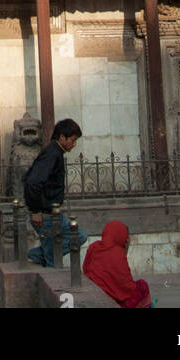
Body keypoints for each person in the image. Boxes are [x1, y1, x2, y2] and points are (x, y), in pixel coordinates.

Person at [23, 118, 87, 267]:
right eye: (72, 140)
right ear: (62, 137)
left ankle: (35, 255)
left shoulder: (56, 153)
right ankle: (44, 260)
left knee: (79, 236)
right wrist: (35, 210)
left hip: (53, 215)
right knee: (54, 261)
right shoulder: (52, 154)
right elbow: (33, 182)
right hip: (45, 216)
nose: (74, 144)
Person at [83, 220, 153, 308]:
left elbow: (85, 269)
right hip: (113, 300)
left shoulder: (94, 247)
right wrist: (125, 248)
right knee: (142, 285)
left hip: (93, 294)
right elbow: (127, 288)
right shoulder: (117, 253)